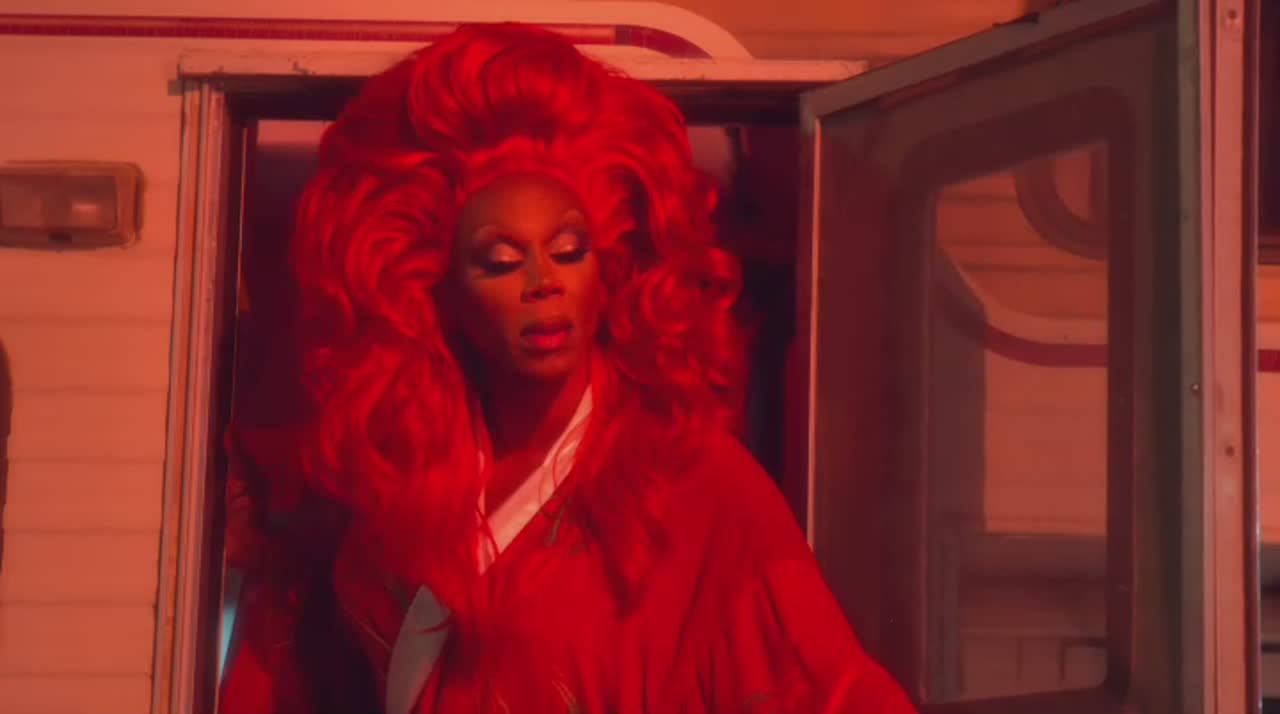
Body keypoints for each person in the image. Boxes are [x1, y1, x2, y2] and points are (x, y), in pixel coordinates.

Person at [218, 22, 915, 714]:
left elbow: (829, 688)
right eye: (500, 261)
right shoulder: (398, 486)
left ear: (610, 271)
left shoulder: (702, 485)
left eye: (570, 251)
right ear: (439, 295)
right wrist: (265, 563)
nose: (543, 283)